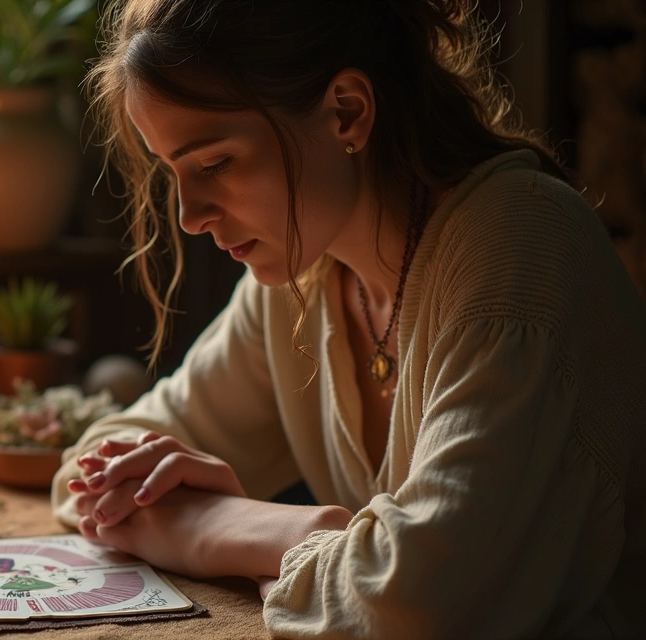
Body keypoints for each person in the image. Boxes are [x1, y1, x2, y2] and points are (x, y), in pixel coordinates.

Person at [51, 1, 646, 637]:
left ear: (347, 110)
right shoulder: (305, 275)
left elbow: (418, 602)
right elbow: (90, 471)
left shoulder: (519, 252)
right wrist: (191, 515)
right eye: (172, 171)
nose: (189, 216)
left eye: (215, 163)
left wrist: (214, 527)